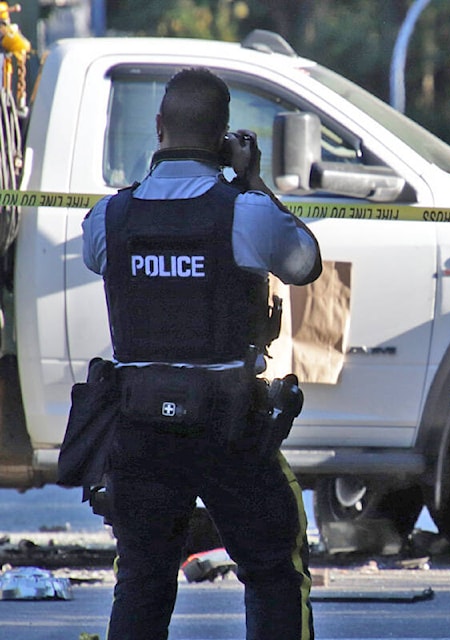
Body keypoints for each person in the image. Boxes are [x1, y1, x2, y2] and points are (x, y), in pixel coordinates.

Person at [81, 67, 321, 640]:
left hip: (139, 426)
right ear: (223, 137)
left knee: (142, 578)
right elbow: (304, 263)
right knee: (271, 571)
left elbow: (101, 257)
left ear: (158, 127)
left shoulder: (109, 218)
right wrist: (254, 181)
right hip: (230, 425)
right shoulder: (245, 211)